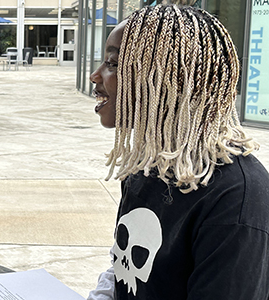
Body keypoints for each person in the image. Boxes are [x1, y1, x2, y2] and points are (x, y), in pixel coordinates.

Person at [87, 4, 269, 299]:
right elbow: (124, 270)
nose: (96, 76)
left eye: (113, 64)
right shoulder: (148, 166)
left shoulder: (236, 198)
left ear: (167, 81)